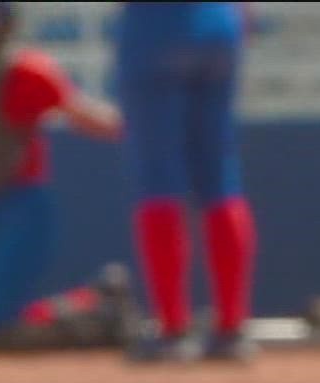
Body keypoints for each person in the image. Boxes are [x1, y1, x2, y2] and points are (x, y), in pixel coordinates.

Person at [0, 2, 131, 352]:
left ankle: (98, 306)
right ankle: (97, 302)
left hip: (23, 205)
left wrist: (140, 129)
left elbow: (80, 113)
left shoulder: (24, 72)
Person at [111, 1, 255, 363]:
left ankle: (173, 329)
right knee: (221, 180)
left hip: (155, 23)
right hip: (220, 22)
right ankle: (231, 329)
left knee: (158, 181)